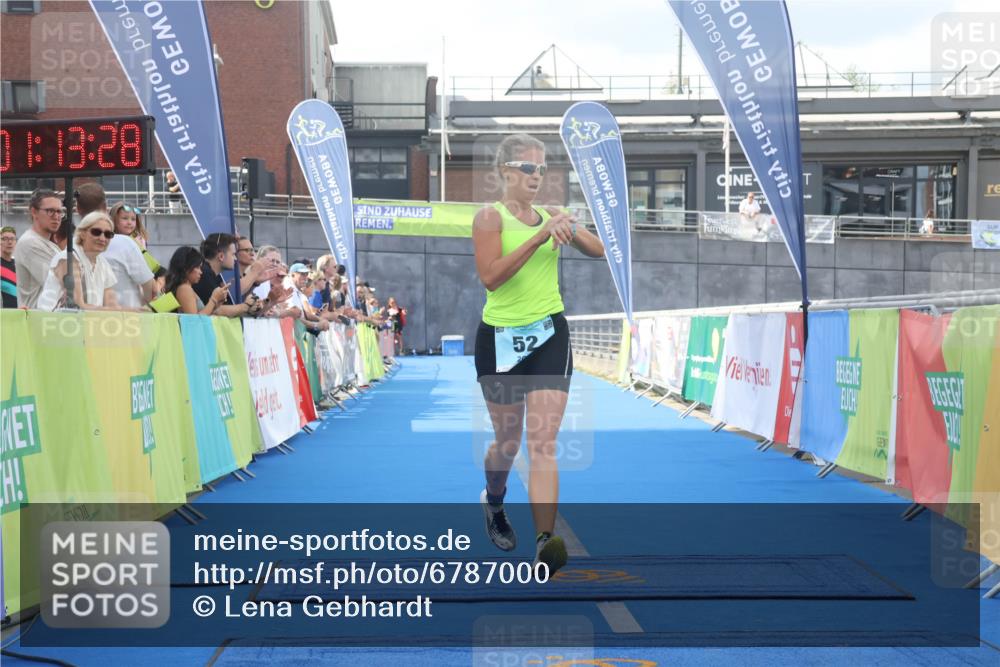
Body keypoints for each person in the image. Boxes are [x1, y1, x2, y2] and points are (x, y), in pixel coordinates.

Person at [472, 133, 604, 574]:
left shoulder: (551, 216)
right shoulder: (489, 217)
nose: (536, 176)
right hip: (501, 339)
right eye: (528, 168)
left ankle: (545, 542)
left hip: (549, 334)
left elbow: (599, 250)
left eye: (542, 169)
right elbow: (491, 278)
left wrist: (573, 229)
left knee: (543, 442)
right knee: (507, 443)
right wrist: (538, 238)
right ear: (505, 171)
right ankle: (494, 500)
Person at [36, 212, 120, 311]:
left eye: (108, 234)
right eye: (96, 232)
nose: (102, 238)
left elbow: (112, 305)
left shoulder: (103, 263)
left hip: (85, 319)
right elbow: (78, 306)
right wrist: (124, 311)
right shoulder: (67, 259)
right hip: (52, 319)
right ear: (83, 234)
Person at [14, 189, 65, 308]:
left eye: (59, 211)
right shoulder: (30, 243)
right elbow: (59, 284)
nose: (56, 216)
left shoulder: (49, 245)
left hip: (49, 316)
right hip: (37, 316)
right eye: (50, 211)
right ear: (34, 212)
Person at [105, 202, 157, 309]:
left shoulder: (137, 241)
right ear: (114, 219)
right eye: (125, 218)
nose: (129, 223)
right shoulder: (129, 243)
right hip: (129, 303)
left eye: (133, 219)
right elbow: (146, 279)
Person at [194, 233, 258, 318]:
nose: (235, 258)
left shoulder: (214, 275)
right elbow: (217, 310)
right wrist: (246, 306)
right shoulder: (204, 274)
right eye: (233, 254)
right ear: (221, 256)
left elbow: (226, 306)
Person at [164, 246, 232, 315]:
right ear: (186, 268)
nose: (201, 272)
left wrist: (216, 303)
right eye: (197, 267)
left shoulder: (186, 287)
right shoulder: (184, 288)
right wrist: (213, 299)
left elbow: (201, 314)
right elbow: (195, 319)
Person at [1, 226, 18, 308]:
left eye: (12, 239)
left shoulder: (18, 266)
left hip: (20, 313)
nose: (9, 242)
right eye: (5, 239)